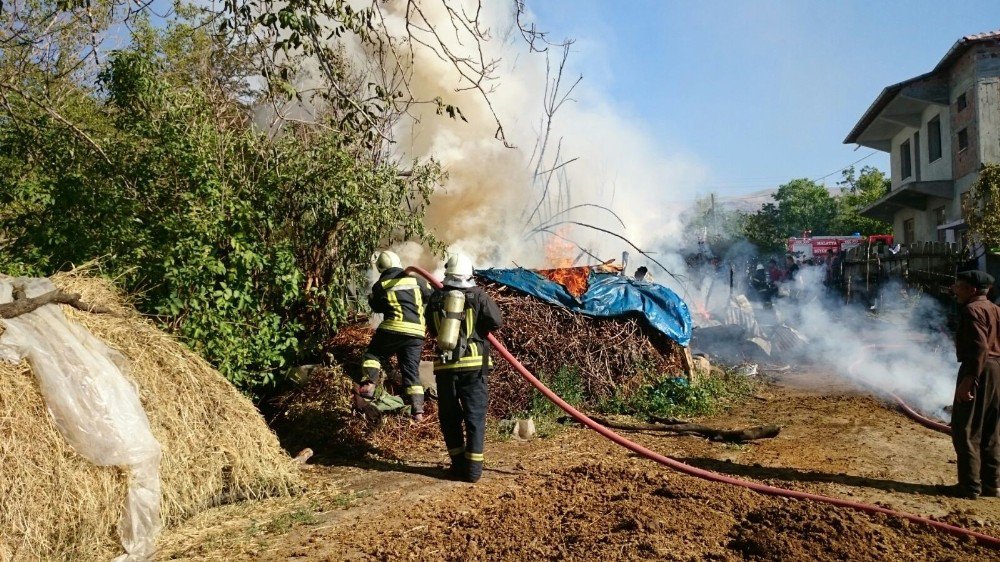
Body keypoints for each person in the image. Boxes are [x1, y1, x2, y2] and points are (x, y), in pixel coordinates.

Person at [425, 253, 503, 483]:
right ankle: (473, 472)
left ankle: (458, 466)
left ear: (447, 273)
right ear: (469, 274)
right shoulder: (478, 296)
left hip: (445, 367)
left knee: (449, 418)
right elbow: (496, 322)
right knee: (474, 418)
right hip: (474, 366)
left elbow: (431, 327)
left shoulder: (435, 297)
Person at [358, 250, 432, 421]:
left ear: (381, 268)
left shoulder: (381, 284)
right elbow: (431, 295)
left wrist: (372, 298)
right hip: (416, 333)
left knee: (372, 354)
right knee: (411, 371)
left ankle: (369, 384)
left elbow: (377, 307)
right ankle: (418, 411)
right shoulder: (417, 280)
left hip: (392, 328)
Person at [945, 270, 1000, 499]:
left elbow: (979, 348)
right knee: (991, 428)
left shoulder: (971, 310)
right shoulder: (996, 309)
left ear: (972, 290)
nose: (955, 289)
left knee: (965, 428)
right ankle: (992, 484)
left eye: (959, 285)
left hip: (979, 369)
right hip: (997, 369)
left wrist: (969, 380)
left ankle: (969, 486)